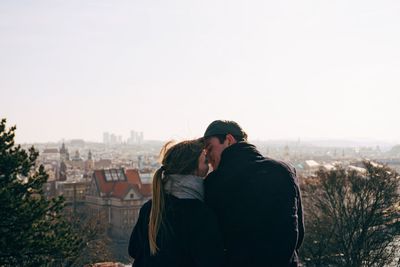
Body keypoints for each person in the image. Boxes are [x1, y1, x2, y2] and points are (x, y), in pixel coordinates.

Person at [203, 120, 304, 267]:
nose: (208, 156)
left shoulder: (214, 182)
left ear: (229, 140)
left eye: (210, 148)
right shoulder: (283, 170)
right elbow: (298, 231)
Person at [128, 139, 224, 267]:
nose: (209, 166)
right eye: (205, 162)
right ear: (192, 169)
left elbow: (133, 249)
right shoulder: (200, 214)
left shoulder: (151, 207)